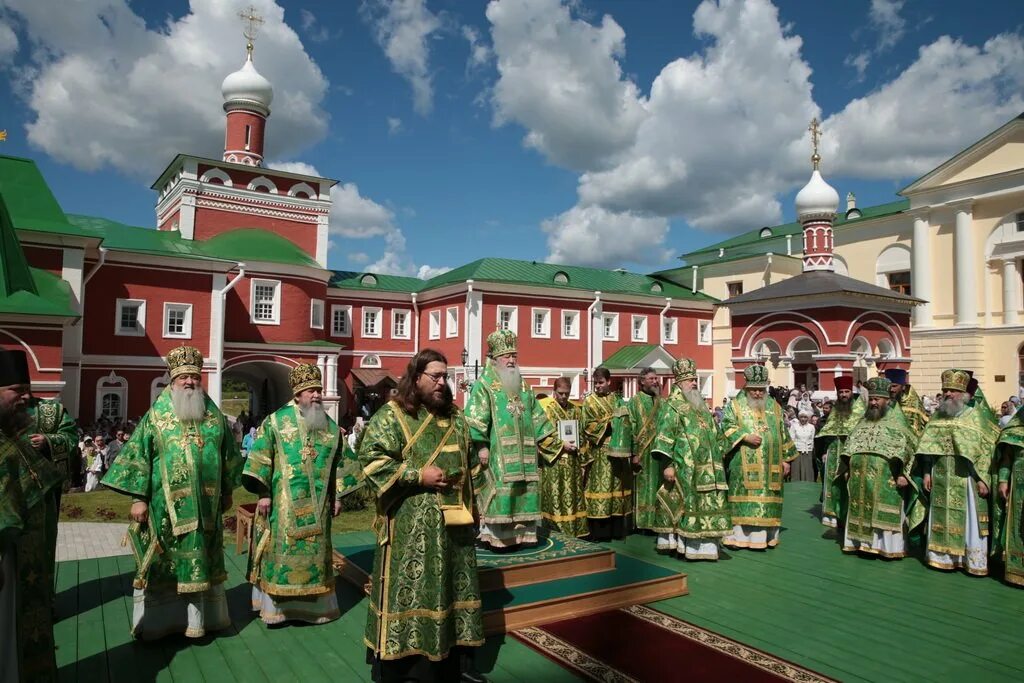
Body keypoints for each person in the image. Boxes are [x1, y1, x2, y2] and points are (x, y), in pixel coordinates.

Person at [359, 349, 485, 682]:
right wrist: (418, 475)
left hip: (456, 528)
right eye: (436, 376)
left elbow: (471, 465)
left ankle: (454, 663)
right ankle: (406, 668)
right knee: (413, 592)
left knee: (453, 593)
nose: (444, 383)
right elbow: (370, 460)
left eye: (446, 376)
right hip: (410, 530)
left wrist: (476, 505)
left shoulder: (457, 418)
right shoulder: (393, 415)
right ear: (417, 378)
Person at [103, 345, 243, 639]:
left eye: (195, 376)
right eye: (184, 377)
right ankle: (160, 624)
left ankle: (203, 621)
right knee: (165, 567)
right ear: (173, 379)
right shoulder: (156, 415)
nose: (190, 382)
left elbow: (228, 454)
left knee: (203, 562)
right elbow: (138, 457)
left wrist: (228, 490)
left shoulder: (213, 415)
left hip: (206, 508)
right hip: (164, 509)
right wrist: (138, 499)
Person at [244, 364, 349, 626]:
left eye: (319, 390)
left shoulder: (329, 426)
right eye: (310, 391)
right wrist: (264, 493)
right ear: (298, 394)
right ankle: (278, 611)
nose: (316, 395)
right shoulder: (277, 421)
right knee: (281, 552)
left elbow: (341, 463)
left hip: (319, 508)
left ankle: (316, 611)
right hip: (283, 506)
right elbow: (260, 457)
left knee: (317, 555)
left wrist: (338, 496)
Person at [0, 348, 62, 682]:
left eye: (27, 388)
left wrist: (51, 442)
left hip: (25, 559)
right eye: (15, 391)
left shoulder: (13, 434)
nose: (25, 397)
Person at [465, 330, 559, 550]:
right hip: (499, 455)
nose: (511, 360)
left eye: (514, 355)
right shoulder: (485, 385)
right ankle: (498, 537)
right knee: (501, 494)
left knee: (525, 491)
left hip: (526, 454)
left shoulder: (524, 386)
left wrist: (555, 443)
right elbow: (475, 419)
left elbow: (538, 417)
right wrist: (482, 447)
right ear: (495, 359)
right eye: (507, 356)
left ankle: (524, 536)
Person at [912, 369, 999, 576]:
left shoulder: (975, 416)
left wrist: (982, 478)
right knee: (940, 516)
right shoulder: (937, 417)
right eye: (945, 390)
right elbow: (927, 450)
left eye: (953, 390)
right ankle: (942, 558)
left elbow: (986, 451)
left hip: (967, 479)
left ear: (964, 394)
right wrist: (926, 473)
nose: (948, 394)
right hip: (940, 474)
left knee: (970, 519)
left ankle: (971, 561)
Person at [650, 358, 730, 560]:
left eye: (695, 379)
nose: (694, 383)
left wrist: (722, 450)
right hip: (685, 466)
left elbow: (714, 432)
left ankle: (708, 546)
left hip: (710, 468)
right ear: (678, 383)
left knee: (709, 503)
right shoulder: (671, 405)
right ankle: (688, 546)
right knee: (688, 505)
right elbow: (664, 434)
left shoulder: (701, 405)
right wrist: (667, 465)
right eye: (690, 380)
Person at [840, 377, 923, 558]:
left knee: (883, 512)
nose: (873, 402)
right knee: (861, 509)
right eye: (871, 399)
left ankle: (887, 548)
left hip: (887, 478)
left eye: (877, 399)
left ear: (888, 400)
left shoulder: (897, 421)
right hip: (860, 477)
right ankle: (861, 544)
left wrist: (904, 474)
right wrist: (847, 467)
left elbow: (910, 448)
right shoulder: (863, 421)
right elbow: (850, 446)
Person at [720, 364, 798, 550]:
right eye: (753, 389)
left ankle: (765, 538)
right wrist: (744, 436)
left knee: (768, 498)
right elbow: (725, 427)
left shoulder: (775, 407)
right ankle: (740, 538)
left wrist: (786, 459)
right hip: (743, 464)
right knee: (744, 498)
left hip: (771, 465)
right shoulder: (735, 406)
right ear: (746, 387)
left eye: (760, 390)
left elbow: (783, 432)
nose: (757, 393)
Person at [582, 367, 634, 541]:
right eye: (596, 383)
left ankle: (616, 529)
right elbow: (586, 426)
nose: (598, 386)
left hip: (618, 453)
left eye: (601, 382)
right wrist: (608, 426)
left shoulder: (617, 400)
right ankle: (599, 531)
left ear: (609, 382)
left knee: (616, 488)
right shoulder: (589, 402)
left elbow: (627, 422)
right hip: (600, 453)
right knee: (600, 487)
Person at [538, 377, 589, 537]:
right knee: (556, 496)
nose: (564, 397)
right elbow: (541, 436)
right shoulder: (547, 411)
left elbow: (581, 434)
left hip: (573, 461)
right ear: (554, 392)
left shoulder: (575, 410)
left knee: (573, 496)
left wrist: (581, 454)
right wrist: (562, 445)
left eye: (566, 394)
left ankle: (574, 530)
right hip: (554, 462)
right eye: (560, 393)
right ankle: (557, 530)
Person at [815, 375, 865, 528]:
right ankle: (832, 515)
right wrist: (824, 452)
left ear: (852, 392)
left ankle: (850, 516)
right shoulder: (835, 410)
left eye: (847, 391)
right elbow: (827, 433)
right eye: (841, 392)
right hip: (833, 453)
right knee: (832, 483)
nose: (844, 394)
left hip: (853, 454)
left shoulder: (860, 409)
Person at [629, 367, 663, 532]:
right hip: (643, 452)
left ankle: (657, 520)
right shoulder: (635, 401)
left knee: (658, 485)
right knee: (643, 486)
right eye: (651, 378)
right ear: (642, 381)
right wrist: (634, 453)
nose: (655, 381)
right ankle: (642, 522)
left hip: (659, 450)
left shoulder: (660, 401)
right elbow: (631, 427)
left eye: (656, 378)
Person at [885, 369, 928, 439]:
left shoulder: (912, 406)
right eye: (889, 386)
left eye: (894, 386)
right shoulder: (883, 401)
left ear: (903, 387)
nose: (891, 390)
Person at [788, 411, 816, 482]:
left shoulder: (811, 427)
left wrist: (811, 450)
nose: (803, 419)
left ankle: (808, 483)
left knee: (807, 469)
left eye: (805, 417)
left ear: (808, 418)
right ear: (799, 417)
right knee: (796, 469)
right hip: (797, 450)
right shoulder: (794, 426)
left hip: (808, 451)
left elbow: (812, 439)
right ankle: (795, 484)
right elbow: (791, 439)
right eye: (801, 417)